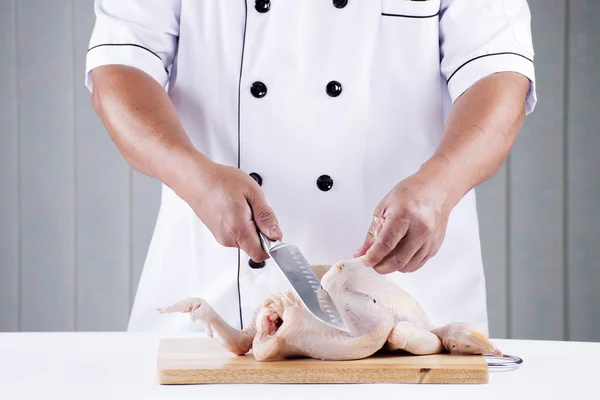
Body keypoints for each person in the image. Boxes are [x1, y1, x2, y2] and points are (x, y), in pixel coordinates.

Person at [85, 0, 536, 335]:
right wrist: (192, 175)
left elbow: (498, 76)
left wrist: (443, 183)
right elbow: (119, 70)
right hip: (217, 297)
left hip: (412, 309)